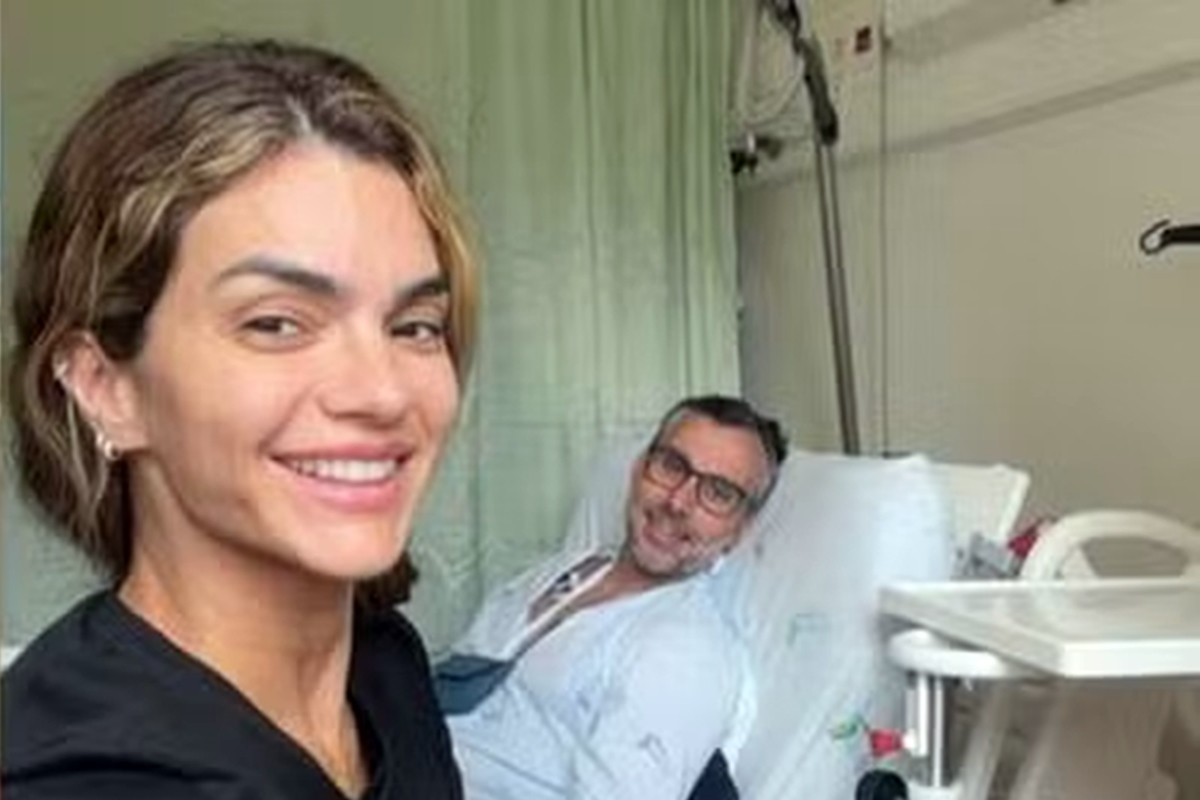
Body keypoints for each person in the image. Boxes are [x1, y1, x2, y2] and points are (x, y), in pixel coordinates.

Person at [1, 39, 477, 799]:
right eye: (276, 323)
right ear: (104, 386)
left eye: (414, 325)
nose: (383, 392)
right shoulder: (74, 778)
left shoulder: (385, 666)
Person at [442, 395, 788, 800]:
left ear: (739, 530)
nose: (677, 502)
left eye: (717, 493)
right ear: (639, 468)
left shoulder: (687, 650)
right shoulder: (566, 569)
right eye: (671, 466)